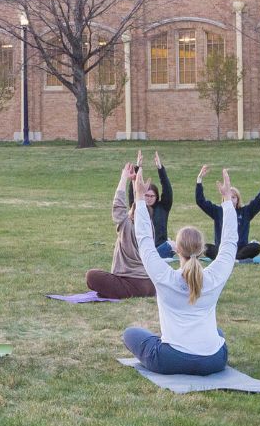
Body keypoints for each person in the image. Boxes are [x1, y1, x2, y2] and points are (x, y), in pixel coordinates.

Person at [121, 168, 239, 376]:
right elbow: (230, 242)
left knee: (130, 334)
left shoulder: (165, 277)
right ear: (202, 250)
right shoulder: (215, 277)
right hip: (214, 360)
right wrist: (227, 201)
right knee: (217, 334)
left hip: (171, 360)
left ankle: (171, 340)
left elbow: (144, 240)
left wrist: (139, 198)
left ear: (176, 248)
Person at [85, 162, 156, 299]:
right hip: (150, 285)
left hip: (132, 284)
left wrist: (124, 177)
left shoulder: (127, 225)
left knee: (91, 276)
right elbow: (139, 205)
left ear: (133, 215)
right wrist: (137, 187)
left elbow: (118, 205)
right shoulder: (149, 227)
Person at [194, 164, 260, 260]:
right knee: (205, 247)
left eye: (233, 197)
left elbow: (259, 200)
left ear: (238, 199)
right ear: (224, 198)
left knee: (256, 246)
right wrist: (199, 179)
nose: (231, 200)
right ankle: (233, 258)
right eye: (228, 197)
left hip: (240, 249)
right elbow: (200, 201)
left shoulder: (246, 212)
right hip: (223, 249)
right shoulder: (218, 211)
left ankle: (233, 258)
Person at [134, 150, 175, 258]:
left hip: (160, 248)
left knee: (170, 246)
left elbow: (167, 189)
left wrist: (160, 168)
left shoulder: (163, 207)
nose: (149, 198)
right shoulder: (138, 208)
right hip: (144, 249)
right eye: (146, 195)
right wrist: (137, 167)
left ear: (157, 197)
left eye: (152, 196)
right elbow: (134, 190)